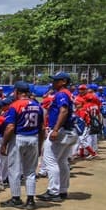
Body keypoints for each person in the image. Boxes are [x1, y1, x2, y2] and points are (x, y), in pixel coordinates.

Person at [0, 81, 45, 210]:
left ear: (17, 92)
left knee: (14, 170)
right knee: (30, 171)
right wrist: (40, 145)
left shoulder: (15, 105)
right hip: (33, 138)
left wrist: (4, 144)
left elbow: (10, 127)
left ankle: (16, 199)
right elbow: (42, 128)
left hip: (18, 138)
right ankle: (30, 201)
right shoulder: (37, 106)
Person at [38, 72, 78, 203]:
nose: (53, 82)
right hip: (68, 130)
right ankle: (62, 190)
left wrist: (55, 129)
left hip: (60, 130)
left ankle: (53, 191)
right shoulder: (68, 93)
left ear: (64, 82)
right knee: (62, 161)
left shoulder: (61, 94)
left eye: (56, 80)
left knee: (50, 160)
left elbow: (64, 111)